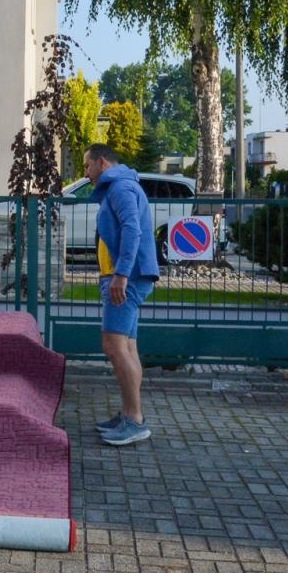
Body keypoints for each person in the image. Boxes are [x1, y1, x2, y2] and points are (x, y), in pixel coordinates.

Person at [85, 143, 160, 447]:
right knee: (127, 347)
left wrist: (121, 274)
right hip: (126, 276)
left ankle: (135, 420)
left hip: (127, 279)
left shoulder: (120, 188)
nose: (86, 173)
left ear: (102, 162)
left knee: (114, 346)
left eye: (87, 165)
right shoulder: (120, 187)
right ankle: (130, 414)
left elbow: (132, 230)